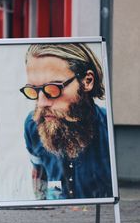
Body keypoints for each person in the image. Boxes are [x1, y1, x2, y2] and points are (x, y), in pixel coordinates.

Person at [20, 43, 113, 200]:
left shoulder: (111, 131)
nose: (41, 103)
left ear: (87, 81)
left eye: (53, 89)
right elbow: (39, 172)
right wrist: (44, 204)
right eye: (34, 90)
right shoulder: (33, 125)